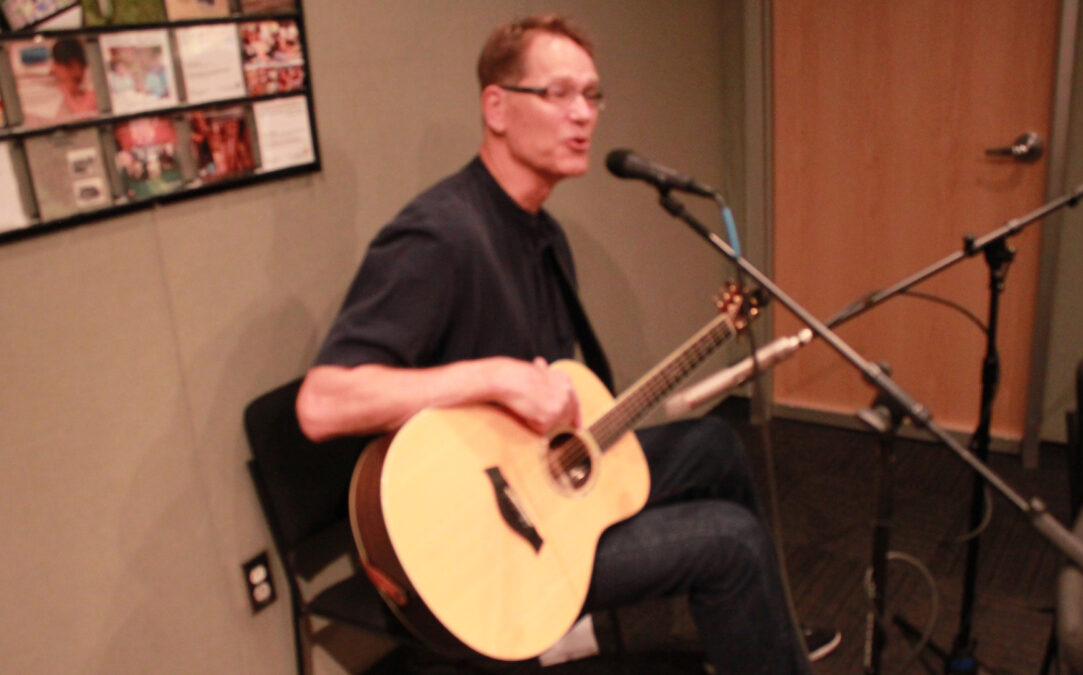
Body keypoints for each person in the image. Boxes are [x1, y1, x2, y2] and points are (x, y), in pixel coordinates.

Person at [297, 14, 834, 675]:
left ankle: (755, 634)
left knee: (716, 445)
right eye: (557, 94)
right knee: (735, 541)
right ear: (497, 107)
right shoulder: (441, 235)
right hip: (484, 547)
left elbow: (558, 395)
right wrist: (495, 375)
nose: (583, 115)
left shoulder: (542, 234)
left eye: (592, 95)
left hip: (543, 481)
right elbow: (322, 403)